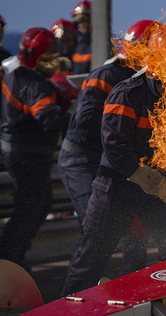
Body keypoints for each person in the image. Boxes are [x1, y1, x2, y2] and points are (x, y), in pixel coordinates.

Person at [61, 22, 166, 296]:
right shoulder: (127, 93)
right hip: (118, 187)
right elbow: (114, 146)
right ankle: (64, 314)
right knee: (92, 255)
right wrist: (155, 183)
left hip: (160, 188)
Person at [57, 19, 160, 275]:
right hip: (82, 160)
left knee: (134, 229)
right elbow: (88, 119)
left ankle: (130, 283)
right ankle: (77, 295)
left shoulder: (148, 79)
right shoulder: (107, 75)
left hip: (117, 162)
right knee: (97, 230)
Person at [0, 27, 71, 271]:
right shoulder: (31, 84)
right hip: (26, 155)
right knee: (30, 208)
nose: (53, 63)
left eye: (54, 58)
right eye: (47, 59)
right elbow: (48, 118)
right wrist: (78, 121)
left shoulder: (17, 75)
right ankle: (7, 261)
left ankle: (12, 258)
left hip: (25, 153)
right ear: (32, 58)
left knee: (37, 205)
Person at [70, 0, 92, 74]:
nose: (84, 25)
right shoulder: (74, 45)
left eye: (88, 20)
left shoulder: (107, 43)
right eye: (80, 21)